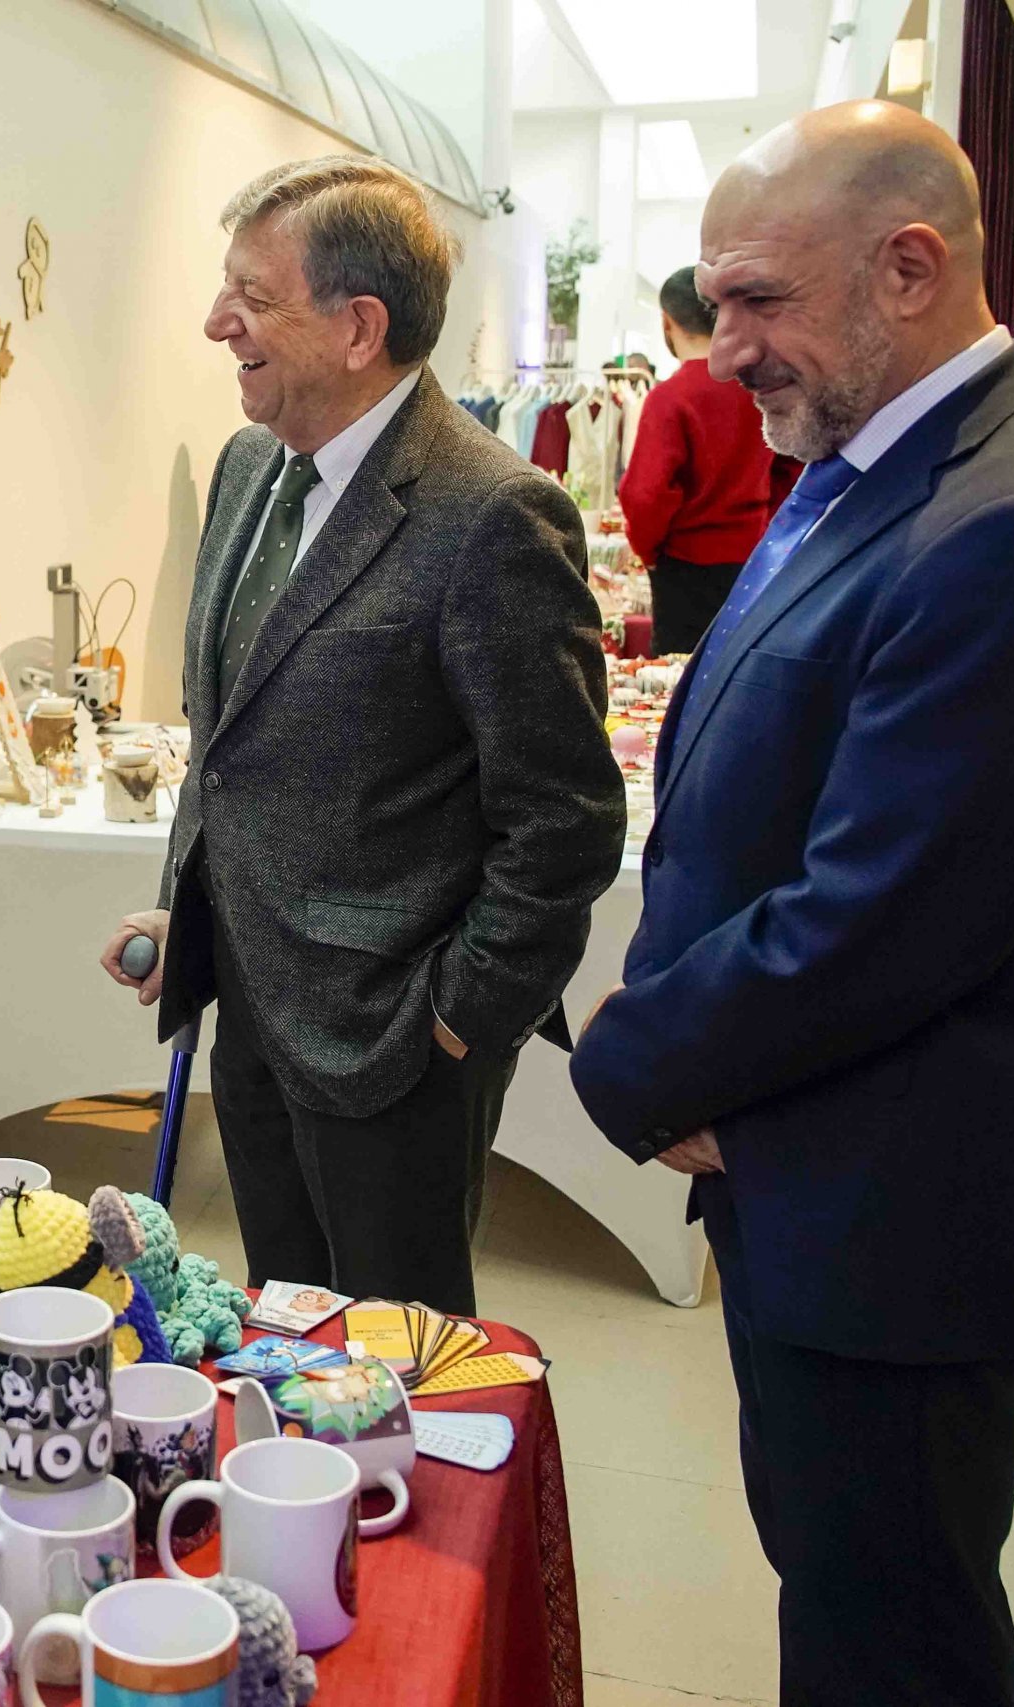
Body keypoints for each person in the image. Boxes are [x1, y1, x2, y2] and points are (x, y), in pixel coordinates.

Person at [569, 101, 1014, 1707]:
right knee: (839, 1591)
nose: (722, 353)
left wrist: (639, 1062)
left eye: (759, 301)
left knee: (890, 1633)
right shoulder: (877, 460)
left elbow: (878, 915)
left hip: (908, 1200)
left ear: (910, 269)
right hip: (815, 1160)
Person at [98, 156, 624, 1314]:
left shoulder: (491, 514)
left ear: (357, 327)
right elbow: (228, 737)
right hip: (249, 1015)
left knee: (396, 1361)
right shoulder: (250, 469)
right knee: (278, 1325)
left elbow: (566, 823)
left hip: (395, 1047)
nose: (213, 322)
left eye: (251, 295)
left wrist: (454, 1021)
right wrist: (186, 902)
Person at [618, 266, 795, 652]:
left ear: (667, 322)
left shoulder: (671, 397)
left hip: (685, 566)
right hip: (753, 558)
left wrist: (647, 550)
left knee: (679, 680)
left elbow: (645, 494)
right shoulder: (758, 387)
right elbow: (791, 467)